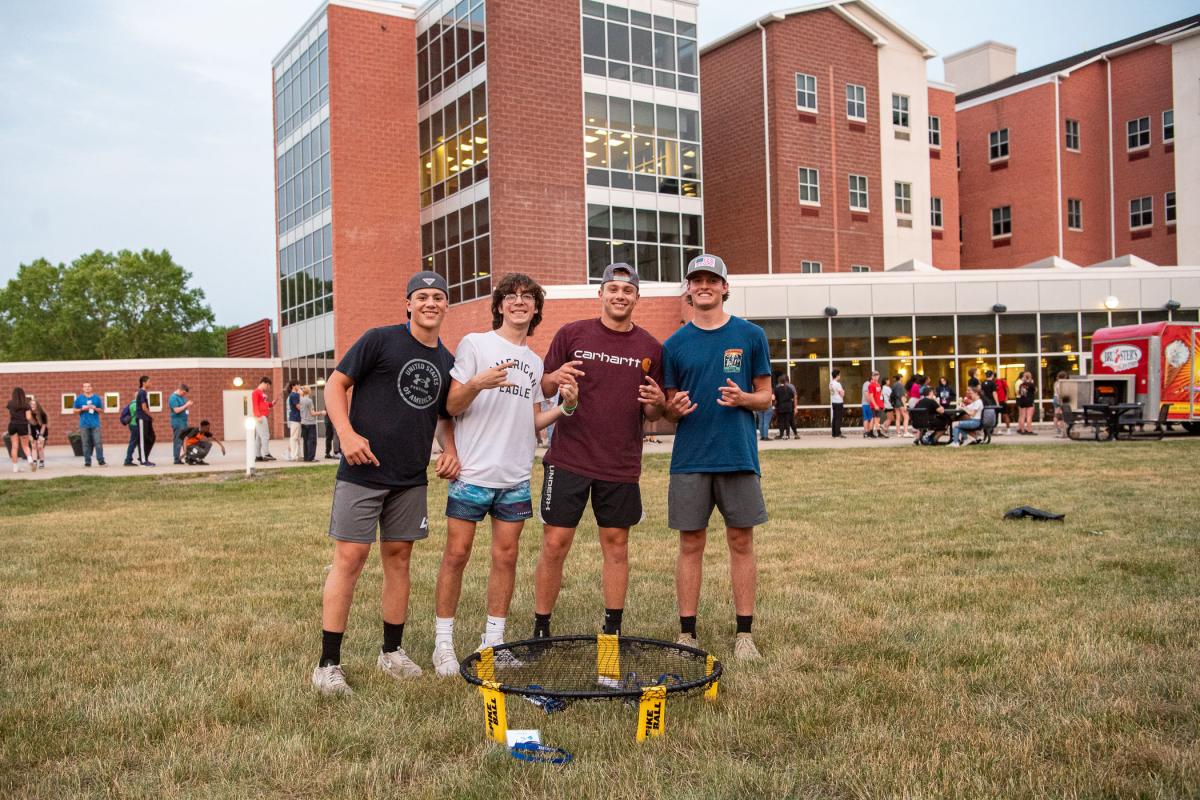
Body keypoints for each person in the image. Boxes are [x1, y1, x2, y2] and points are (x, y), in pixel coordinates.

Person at [312, 271, 459, 696]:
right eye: (422, 296)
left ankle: (391, 652)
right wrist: (346, 433)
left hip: (410, 478)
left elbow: (445, 415)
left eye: (438, 297)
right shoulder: (380, 339)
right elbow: (336, 384)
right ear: (408, 304)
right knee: (351, 558)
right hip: (364, 469)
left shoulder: (446, 361)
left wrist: (449, 449)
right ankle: (327, 664)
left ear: (446, 306)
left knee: (399, 560)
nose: (430, 303)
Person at [431, 273, 579, 677]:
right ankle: (443, 643)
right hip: (473, 474)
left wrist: (566, 407)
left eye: (527, 297)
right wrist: (479, 382)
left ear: (535, 309)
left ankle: (493, 642)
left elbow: (533, 420)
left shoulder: (534, 362)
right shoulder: (476, 344)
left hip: (514, 477)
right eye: (511, 297)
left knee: (506, 558)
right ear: (499, 306)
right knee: (456, 555)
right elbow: (451, 404)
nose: (519, 302)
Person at [530, 263, 668, 643]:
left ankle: (612, 631)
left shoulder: (651, 349)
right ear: (601, 294)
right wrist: (555, 380)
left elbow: (654, 411)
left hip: (620, 463)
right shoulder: (571, 334)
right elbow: (542, 384)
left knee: (617, 545)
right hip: (569, 458)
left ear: (637, 298)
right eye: (613, 289)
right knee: (555, 543)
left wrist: (658, 402)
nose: (620, 295)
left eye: (627, 290)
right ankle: (541, 628)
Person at [662, 254, 771, 661]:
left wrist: (744, 398)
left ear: (725, 287)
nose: (704, 285)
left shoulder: (750, 335)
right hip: (690, 458)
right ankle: (687, 633)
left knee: (741, 541)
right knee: (690, 543)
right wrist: (675, 410)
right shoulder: (674, 345)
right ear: (688, 290)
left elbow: (765, 396)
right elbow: (668, 407)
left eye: (712, 279)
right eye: (696, 280)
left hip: (738, 455)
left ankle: (744, 634)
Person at [124, 375, 156, 467]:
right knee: (141, 440)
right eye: (149, 382)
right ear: (144, 383)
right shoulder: (141, 392)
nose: (151, 383)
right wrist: (151, 416)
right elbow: (143, 407)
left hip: (146, 419)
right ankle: (143, 460)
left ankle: (144, 457)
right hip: (142, 419)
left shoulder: (144, 393)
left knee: (151, 437)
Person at [74, 382, 106, 467]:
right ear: (83, 388)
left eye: (89, 386)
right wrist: (82, 409)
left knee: (98, 442)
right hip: (84, 424)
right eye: (85, 387)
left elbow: (102, 410)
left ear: (91, 388)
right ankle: (87, 461)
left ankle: (101, 460)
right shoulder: (79, 399)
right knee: (85, 443)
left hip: (95, 424)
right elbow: (74, 410)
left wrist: (95, 408)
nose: (87, 388)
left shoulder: (96, 398)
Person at [7, 388, 35, 473]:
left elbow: (11, 414)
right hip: (22, 426)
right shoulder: (26, 404)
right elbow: (28, 418)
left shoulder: (10, 403)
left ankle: (15, 468)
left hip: (12, 425)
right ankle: (30, 460)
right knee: (25, 446)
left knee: (14, 447)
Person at [252, 377, 277, 462]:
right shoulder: (256, 392)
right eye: (268, 386)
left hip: (262, 416)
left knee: (259, 437)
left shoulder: (262, 393)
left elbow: (264, 404)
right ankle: (266, 454)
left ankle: (258, 456)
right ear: (265, 383)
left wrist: (271, 404)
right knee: (265, 436)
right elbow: (255, 405)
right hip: (260, 417)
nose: (268, 388)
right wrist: (257, 416)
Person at [168, 384, 194, 465]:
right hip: (177, 422)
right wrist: (186, 405)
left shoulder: (182, 397)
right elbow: (176, 410)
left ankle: (186, 457)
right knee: (178, 440)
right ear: (180, 390)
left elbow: (184, 408)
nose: (184, 394)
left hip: (183, 422)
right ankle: (176, 459)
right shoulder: (173, 398)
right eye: (184, 393)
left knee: (185, 440)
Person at [299, 386, 326, 462]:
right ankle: (311, 458)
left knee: (305, 441)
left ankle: (306, 457)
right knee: (312, 441)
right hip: (310, 423)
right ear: (309, 391)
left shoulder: (300, 400)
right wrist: (321, 412)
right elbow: (312, 413)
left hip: (303, 423)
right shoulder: (309, 401)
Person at [773, 374, 796, 439]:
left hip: (781, 407)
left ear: (779, 381)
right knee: (787, 421)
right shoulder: (789, 388)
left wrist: (775, 406)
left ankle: (781, 434)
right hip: (788, 407)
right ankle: (787, 435)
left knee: (781, 421)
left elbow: (775, 399)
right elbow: (792, 397)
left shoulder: (777, 389)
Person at [27, 398, 48, 469]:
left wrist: (40, 436)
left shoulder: (42, 414)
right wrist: (29, 435)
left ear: (37, 405)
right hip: (32, 432)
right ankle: (34, 461)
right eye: (31, 404)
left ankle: (42, 461)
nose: (32, 405)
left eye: (33, 404)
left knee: (40, 447)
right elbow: (28, 425)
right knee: (33, 447)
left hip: (42, 432)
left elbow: (44, 426)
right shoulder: (28, 414)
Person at [286, 382, 303, 461]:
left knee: (297, 438)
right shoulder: (294, 395)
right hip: (295, 418)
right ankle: (294, 455)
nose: (299, 386)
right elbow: (299, 407)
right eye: (298, 384)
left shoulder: (292, 395)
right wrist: (302, 396)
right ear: (293, 386)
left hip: (296, 418)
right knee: (294, 438)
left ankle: (298, 455)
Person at [868, 372, 886, 438]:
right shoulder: (871, 385)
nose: (876, 377)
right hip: (875, 405)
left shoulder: (878, 385)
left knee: (875, 419)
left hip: (879, 404)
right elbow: (871, 396)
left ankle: (870, 432)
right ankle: (878, 433)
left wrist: (882, 404)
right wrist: (875, 405)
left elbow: (880, 396)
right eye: (874, 375)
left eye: (877, 375)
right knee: (876, 419)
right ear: (872, 377)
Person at [1052, 371, 1069, 437]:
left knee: (1056, 413)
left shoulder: (1056, 382)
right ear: (1064, 377)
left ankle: (1056, 427)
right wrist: (1061, 400)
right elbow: (1060, 392)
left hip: (1055, 398)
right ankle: (1061, 427)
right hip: (1059, 398)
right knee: (1062, 414)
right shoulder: (1062, 383)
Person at [829, 368, 845, 438]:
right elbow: (842, 394)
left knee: (835, 418)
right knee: (838, 418)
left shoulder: (831, 383)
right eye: (839, 375)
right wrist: (843, 392)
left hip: (833, 401)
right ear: (837, 375)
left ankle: (834, 433)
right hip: (839, 402)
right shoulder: (837, 384)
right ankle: (838, 433)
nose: (840, 376)